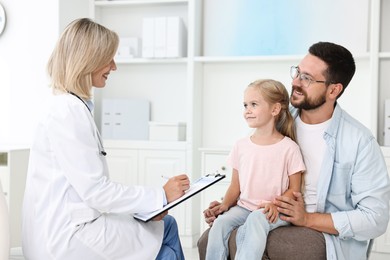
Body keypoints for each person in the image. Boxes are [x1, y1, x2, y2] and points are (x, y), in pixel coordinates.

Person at [199, 41, 390, 260]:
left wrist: (307, 219)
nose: (295, 82)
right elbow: (256, 172)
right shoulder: (278, 119)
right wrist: (227, 205)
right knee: (209, 240)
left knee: (282, 246)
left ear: (334, 90)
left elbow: (375, 218)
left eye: (307, 78)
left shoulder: (359, 141)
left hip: (317, 230)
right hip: (265, 213)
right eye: (297, 72)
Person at [22, 18, 189, 260]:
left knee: (161, 226)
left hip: (67, 225)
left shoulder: (67, 106)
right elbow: (96, 192)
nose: (114, 66)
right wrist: (160, 196)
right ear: (88, 60)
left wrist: (148, 206)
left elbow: (90, 193)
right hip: (68, 237)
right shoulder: (68, 111)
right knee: (167, 229)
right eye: (109, 58)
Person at [205, 79, 305, 260]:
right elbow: (235, 186)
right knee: (220, 224)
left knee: (256, 219)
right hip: (243, 207)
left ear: (275, 109)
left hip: (274, 211)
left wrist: (274, 205)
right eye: (245, 105)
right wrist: (224, 206)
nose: (247, 110)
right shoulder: (240, 146)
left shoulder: (289, 148)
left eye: (253, 104)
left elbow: (295, 189)